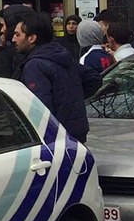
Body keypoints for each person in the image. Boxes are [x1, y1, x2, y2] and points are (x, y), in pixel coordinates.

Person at [11, 11, 92, 143]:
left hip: (54, 141)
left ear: (32, 38)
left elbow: (40, 109)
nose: (13, 39)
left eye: (17, 34)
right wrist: (73, 101)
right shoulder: (60, 55)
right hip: (75, 135)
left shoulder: (35, 65)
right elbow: (92, 78)